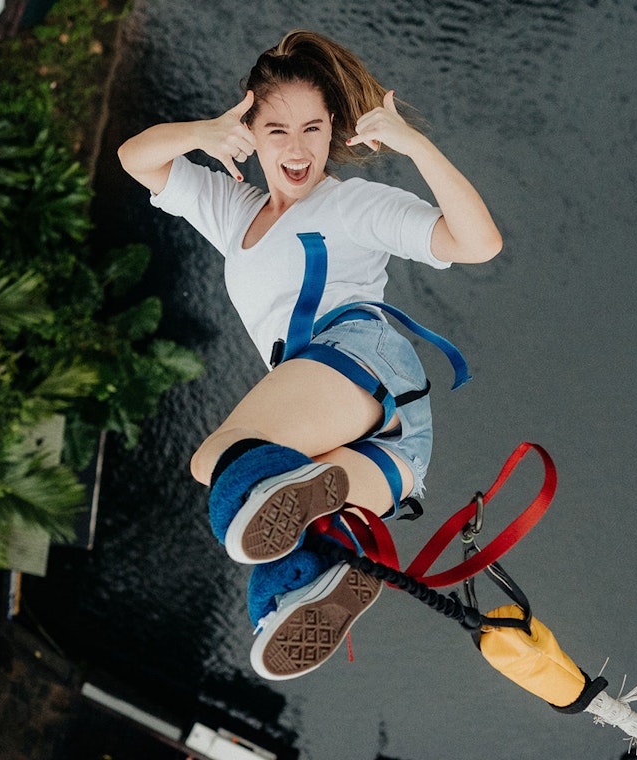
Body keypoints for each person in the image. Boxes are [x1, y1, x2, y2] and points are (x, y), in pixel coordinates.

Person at [117, 29, 502, 681]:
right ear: (250, 125)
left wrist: (415, 144)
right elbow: (136, 157)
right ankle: (311, 581)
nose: (296, 149)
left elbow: (479, 243)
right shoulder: (232, 212)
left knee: (217, 462)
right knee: (289, 564)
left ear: (333, 134)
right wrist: (204, 132)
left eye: (313, 129)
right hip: (403, 446)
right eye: (276, 130)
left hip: (362, 366)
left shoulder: (351, 204)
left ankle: (299, 502)